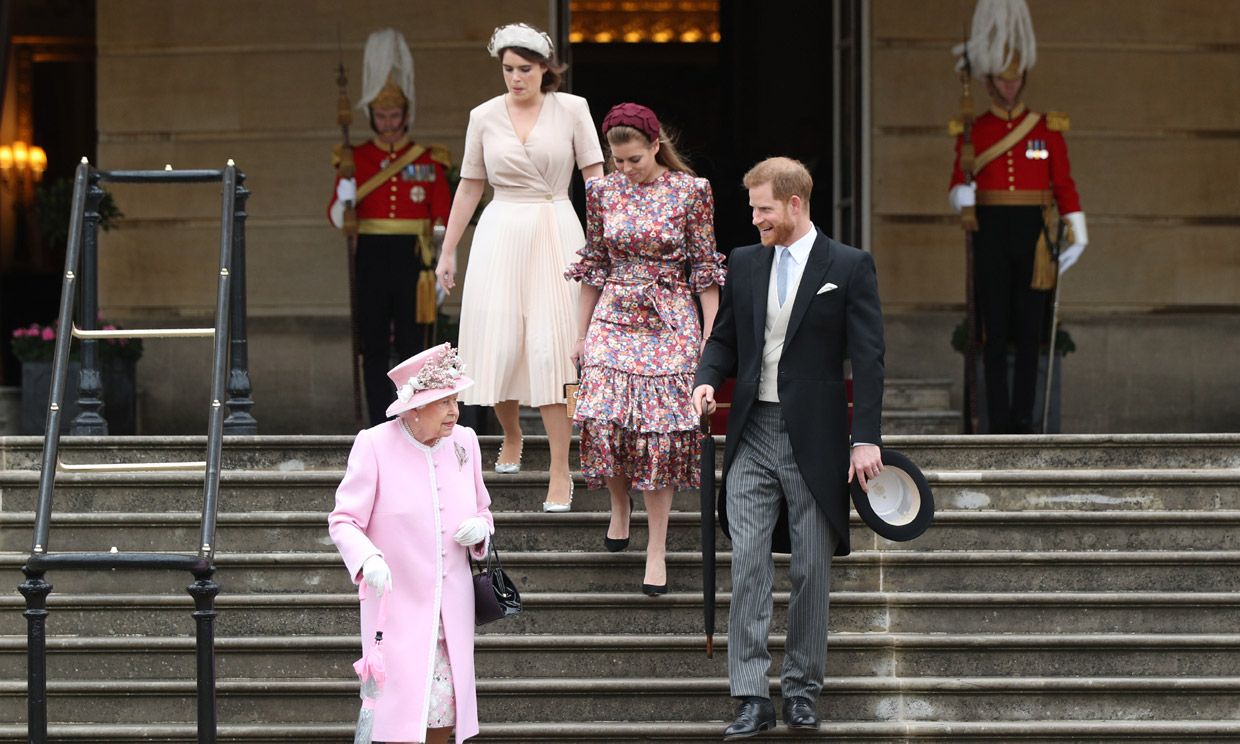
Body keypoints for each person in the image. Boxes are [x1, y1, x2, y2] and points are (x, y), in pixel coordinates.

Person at [692, 157, 885, 738]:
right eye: (753, 209)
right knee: (749, 565)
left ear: (794, 204)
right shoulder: (746, 263)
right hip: (751, 432)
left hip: (817, 439)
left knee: (809, 571)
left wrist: (866, 437)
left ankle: (801, 690)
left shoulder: (848, 266)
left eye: (763, 209)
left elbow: (869, 359)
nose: (755, 220)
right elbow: (724, 337)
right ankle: (751, 697)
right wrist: (706, 376)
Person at [435, 22, 604, 511]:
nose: (515, 78)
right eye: (507, 69)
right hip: (501, 229)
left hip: (556, 225)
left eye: (524, 69)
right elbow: (470, 185)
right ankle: (511, 433)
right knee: (501, 342)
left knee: (552, 349)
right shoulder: (483, 116)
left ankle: (559, 468)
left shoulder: (572, 109)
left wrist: (604, 243)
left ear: (546, 68)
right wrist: (449, 250)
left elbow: (594, 178)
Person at [565, 103, 725, 594]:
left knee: (660, 432)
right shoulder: (601, 192)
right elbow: (594, 265)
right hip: (614, 311)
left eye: (635, 159)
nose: (626, 169)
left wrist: (709, 338)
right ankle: (619, 504)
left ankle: (656, 548)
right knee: (603, 417)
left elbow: (704, 269)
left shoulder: (692, 192)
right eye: (618, 161)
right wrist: (580, 333)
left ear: (656, 146)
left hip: (670, 314)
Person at [329, 343, 493, 744]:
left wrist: (481, 531)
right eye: (443, 402)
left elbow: (484, 510)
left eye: (456, 400)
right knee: (398, 716)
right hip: (397, 608)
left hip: (452, 608)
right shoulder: (373, 444)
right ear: (413, 407)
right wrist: (367, 558)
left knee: (445, 712)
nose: (454, 411)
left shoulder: (466, 442)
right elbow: (344, 520)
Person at [949, 0, 1087, 433]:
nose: (1010, 87)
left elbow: (1063, 182)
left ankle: (1026, 418)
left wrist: (1077, 230)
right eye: (1002, 80)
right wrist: (961, 193)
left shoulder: (1047, 127)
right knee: (993, 330)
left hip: (1032, 234)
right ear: (990, 81)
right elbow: (956, 179)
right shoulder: (974, 128)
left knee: (1030, 330)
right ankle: (999, 422)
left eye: (1016, 79)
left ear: (1023, 78)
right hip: (990, 231)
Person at [329, 28, 453, 426]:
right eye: (380, 116)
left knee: (416, 345)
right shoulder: (354, 157)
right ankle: (381, 421)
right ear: (371, 116)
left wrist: (438, 266)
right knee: (374, 343)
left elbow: (442, 218)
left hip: (414, 259)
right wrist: (346, 195)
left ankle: (417, 417)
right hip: (371, 255)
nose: (387, 122)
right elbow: (335, 217)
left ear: (405, 114)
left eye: (394, 115)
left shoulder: (428, 159)